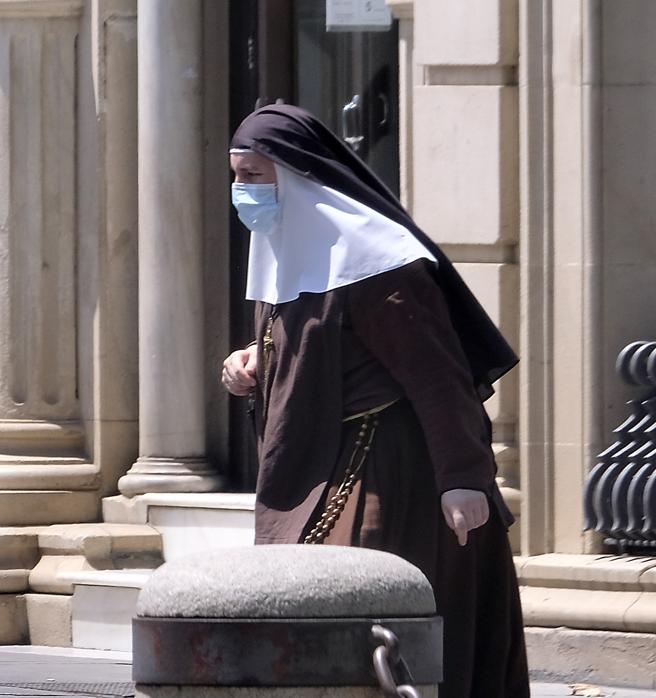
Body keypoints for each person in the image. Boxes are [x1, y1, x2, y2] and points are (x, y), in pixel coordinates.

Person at [220, 104, 529, 697]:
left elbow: (439, 377)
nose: (243, 191)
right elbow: (301, 345)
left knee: (369, 617)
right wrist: (248, 362)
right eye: (237, 176)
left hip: (388, 469)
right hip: (319, 462)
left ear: (296, 174)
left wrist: (462, 477)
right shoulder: (286, 248)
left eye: (255, 175)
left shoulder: (379, 265)